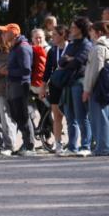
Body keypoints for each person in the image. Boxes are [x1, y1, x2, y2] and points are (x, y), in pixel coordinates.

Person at [82, 21, 109, 157]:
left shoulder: (98, 47)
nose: (90, 34)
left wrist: (87, 89)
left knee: (99, 117)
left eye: (92, 31)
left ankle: (103, 148)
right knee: (108, 116)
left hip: (98, 86)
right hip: (108, 86)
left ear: (98, 32)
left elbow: (94, 70)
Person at [59, 16, 94, 157]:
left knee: (81, 116)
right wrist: (69, 59)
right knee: (69, 117)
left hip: (79, 82)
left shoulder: (86, 44)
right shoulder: (71, 44)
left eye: (73, 27)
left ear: (81, 29)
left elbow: (79, 62)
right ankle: (72, 146)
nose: (71, 29)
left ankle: (85, 145)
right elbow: (61, 62)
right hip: (68, 83)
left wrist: (70, 59)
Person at [0, 23, 36, 155]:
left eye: (5, 32)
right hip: (13, 85)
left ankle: (29, 145)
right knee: (17, 115)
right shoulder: (15, 47)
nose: (3, 35)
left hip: (20, 85)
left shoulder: (22, 48)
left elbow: (26, 70)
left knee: (22, 115)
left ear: (14, 33)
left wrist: (9, 71)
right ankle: (26, 143)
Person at [43, 25, 70, 154]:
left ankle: (75, 143)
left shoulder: (71, 48)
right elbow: (47, 70)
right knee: (57, 115)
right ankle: (58, 142)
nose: (52, 37)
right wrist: (43, 87)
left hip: (69, 84)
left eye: (54, 35)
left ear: (62, 35)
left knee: (71, 115)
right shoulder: (52, 50)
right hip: (55, 85)